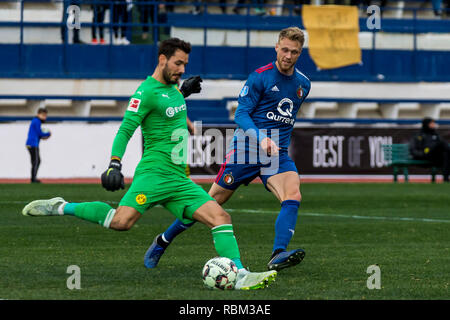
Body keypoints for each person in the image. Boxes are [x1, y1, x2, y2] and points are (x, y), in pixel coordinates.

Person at [21, 38, 277, 290]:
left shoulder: (173, 90)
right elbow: (125, 130)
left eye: (185, 64)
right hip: (153, 175)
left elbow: (168, 104)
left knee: (220, 217)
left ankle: (240, 274)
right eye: (178, 63)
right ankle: (62, 206)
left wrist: (183, 91)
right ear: (162, 60)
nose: (182, 69)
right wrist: (114, 163)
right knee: (121, 222)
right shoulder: (144, 93)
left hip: (178, 180)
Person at [145, 27, 311, 272]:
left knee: (293, 195)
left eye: (294, 52)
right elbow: (241, 114)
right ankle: (162, 241)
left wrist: (272, 142)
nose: (288, 55)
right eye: (284, 49)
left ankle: (278, 253)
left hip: (276, 154)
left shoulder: (303, 85)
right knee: (208, 204)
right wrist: (261, 137)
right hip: (246, 150)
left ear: (300, 53)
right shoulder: (260, 77)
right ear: (277, 47)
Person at [409, 117, 450, 182]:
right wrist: (422, 154)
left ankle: (446, 177)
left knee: (446, 153)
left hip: (435, 156)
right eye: (431, 123)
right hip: (424, 155)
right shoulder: (419, 135)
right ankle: (446, 177)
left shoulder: (435, 134)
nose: (433, 125)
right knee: (442, 146)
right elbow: (413, 149)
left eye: (434, 123)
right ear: (426, 124)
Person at [26, 108, 51, 183]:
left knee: (36, 161)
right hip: (33, 144)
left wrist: (43, 137)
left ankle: (33, 178)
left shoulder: (35, 121)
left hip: (31, 143)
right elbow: (39, 133)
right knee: (36, 161)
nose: (44, 117)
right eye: (43, 115)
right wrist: (48, 133)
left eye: (45, 116)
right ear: (39, 114)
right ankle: (33, 179)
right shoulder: (37, 121)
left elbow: (37, 134)